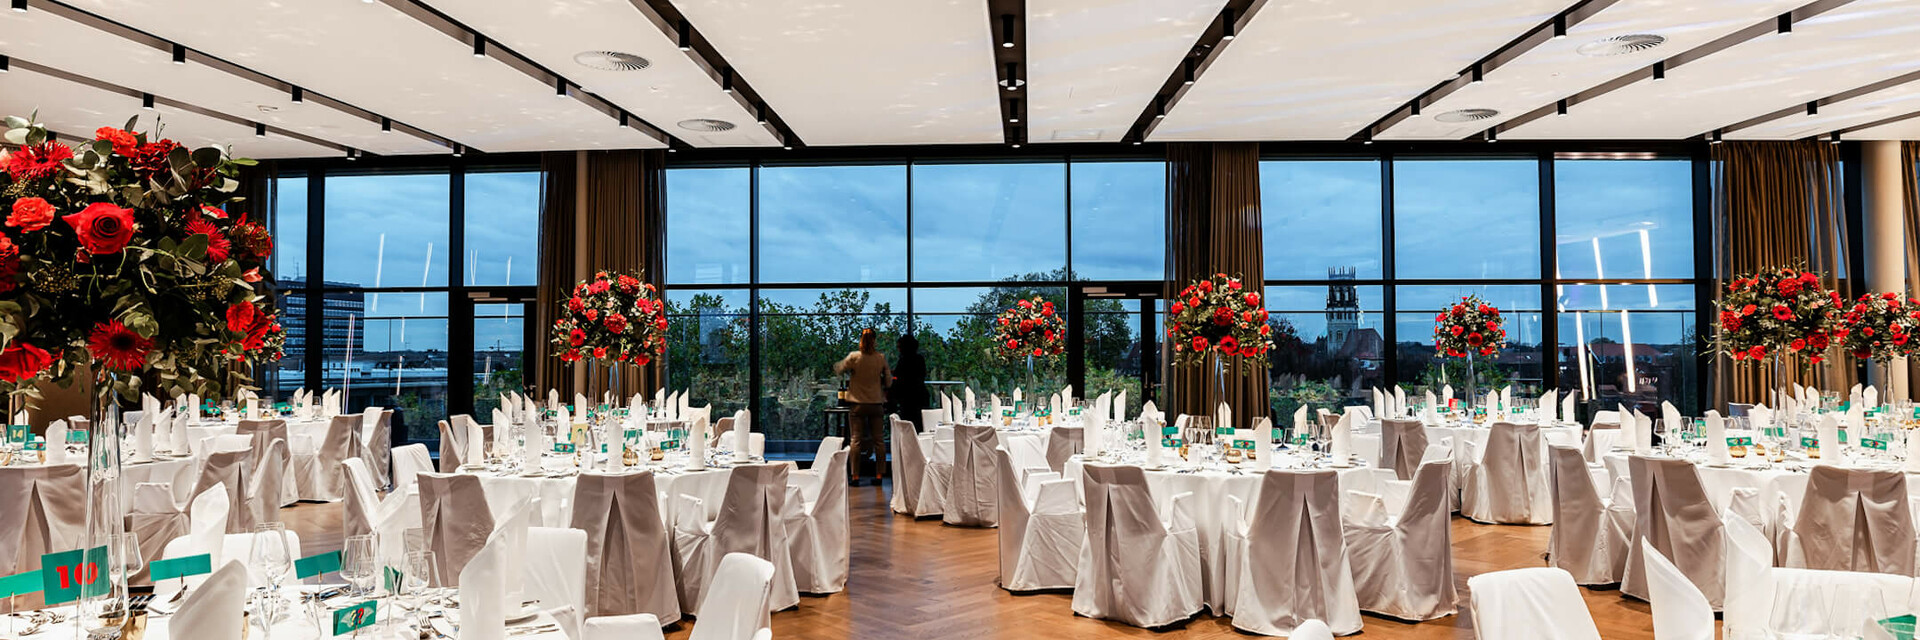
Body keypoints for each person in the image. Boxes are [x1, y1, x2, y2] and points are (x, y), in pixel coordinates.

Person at [835, 328, 891, 486]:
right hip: (876, 403)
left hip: (857, 404)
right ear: (875, 340)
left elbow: (840, 368)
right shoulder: (880, 358)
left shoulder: (854, 357)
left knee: (856, 440)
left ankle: (855, 476)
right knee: (879, 441)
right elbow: (888, 380)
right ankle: (879, 475)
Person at [890, 334, 929, 430]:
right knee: (920, 425)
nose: (898, 349)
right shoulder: (919, 359)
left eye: (899, 347)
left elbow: (899, 377)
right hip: (920, 396)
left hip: (908, 399)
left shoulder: (903, 360)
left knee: (908, 426)